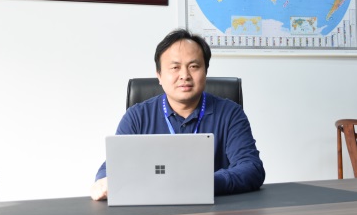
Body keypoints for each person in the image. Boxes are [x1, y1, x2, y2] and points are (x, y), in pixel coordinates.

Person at [90, 28, 265, 201]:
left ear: (205, 71)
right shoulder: (137, 116)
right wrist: (104, 182)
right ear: (159, 76)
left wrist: (204, 183)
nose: (184, 75)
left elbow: (251, 168)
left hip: (215, 211)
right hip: (153, 212)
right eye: (175, 67)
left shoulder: (230, 113)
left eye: (194, 66)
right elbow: (112, 168)